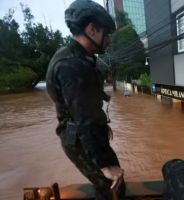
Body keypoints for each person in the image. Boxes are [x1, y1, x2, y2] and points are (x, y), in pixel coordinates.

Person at [46, 0, 124, 199]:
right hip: (80, 137)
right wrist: (104, 163)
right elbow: (84, 119)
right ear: (92, 29)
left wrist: (101, 125)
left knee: (114, 181)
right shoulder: (74, 66)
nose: (109, 40)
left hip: (83, 131)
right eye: (107, 33)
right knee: (111, 184)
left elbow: (85, 106)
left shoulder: (76, 57)